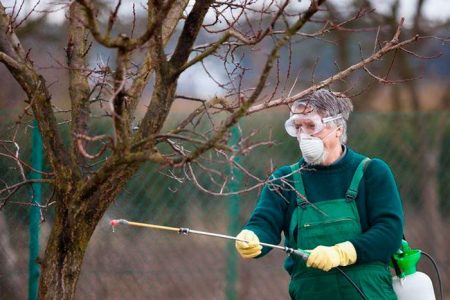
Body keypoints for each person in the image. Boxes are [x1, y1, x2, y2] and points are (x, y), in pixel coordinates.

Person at [235, 89, 404, 299]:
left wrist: (343, 252)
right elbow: (264, 223)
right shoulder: (285, 179)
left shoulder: (372, 172)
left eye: (312, 126)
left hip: (368, 293)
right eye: (298, 127)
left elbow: (390, 232)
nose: (303, 134)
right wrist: (252, 236)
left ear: (338, 129)